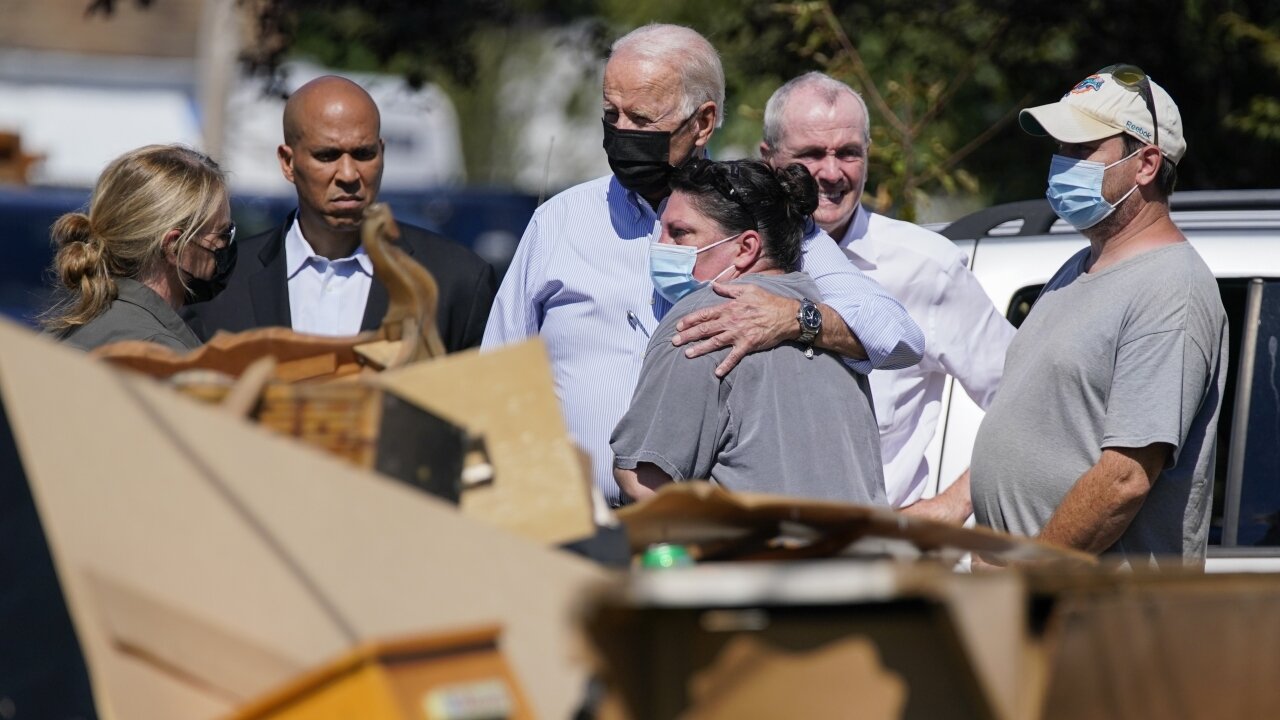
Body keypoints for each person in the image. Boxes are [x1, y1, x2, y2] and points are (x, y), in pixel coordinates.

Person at [483, 24, 923, 507]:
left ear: (703, 121)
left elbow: (897, 336)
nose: (623, 132)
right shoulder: (559, 222)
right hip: (580, 532)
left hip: (714, 542)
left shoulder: (761, 211)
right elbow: (497, 378)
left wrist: (794, 319)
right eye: (612, 114)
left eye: (644, 119)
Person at [970, 65, 1228, 566]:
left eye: (1081, 150)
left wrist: (1023, 576)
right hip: (1043, 610)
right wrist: (954, 504)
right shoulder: (1078, 267)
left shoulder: (1171, 287)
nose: (1061, 164)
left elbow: (1125, 478)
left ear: (1147, 164)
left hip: (1103, 621)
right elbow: (1041, 426)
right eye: (1060, 149)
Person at [760, 72, 1015, 518]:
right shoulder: (732, 258)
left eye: (849, 153)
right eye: (811, 154)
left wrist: (950, 506)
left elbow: (1032, 401)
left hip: (884, 558)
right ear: (769, 159)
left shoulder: (926, 266)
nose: (832, 172)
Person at [611, 159, 886, 505]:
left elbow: (648, 481)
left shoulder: (705, 318)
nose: (661, 245)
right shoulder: (830, 319)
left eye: (679, 233)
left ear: (746, 249)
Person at [185, 75, 495, 350]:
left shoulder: (455, 279)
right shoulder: (220, 283)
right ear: (287, 162)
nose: (348, 174)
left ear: (382, 153)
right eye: (327, 155)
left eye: (363, 154)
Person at [42, 144, 233, 352]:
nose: (226, 245)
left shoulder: (54, 338)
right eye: (222, 234)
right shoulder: (162, 355)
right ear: (174, 247)